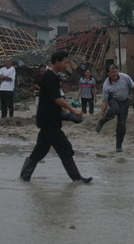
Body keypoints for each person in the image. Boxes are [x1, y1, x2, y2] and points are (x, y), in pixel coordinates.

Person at [19, 51, 91, 183]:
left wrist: (64, 108)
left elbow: (55, 97)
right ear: (57, 62)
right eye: (65, 62)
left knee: (40, 149)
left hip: (51, 118)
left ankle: (24, 177)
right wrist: (73, 109)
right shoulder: (49, 76)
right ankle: (77, 178)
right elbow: (56, 98)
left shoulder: (54, 76)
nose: (66, 65)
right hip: (48, 120)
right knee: (65, 147)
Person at [95, 64, 134, 152]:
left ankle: (118, 146)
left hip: (125, 101)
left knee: (122, 125)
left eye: (116, 71)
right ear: (108, 73)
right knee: (115, 109)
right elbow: (104, 101)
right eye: (112, 72)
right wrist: (102, 115)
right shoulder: (106, 85)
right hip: (113, 99)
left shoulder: (125, 77)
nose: (114, 73)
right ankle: (102, 122)